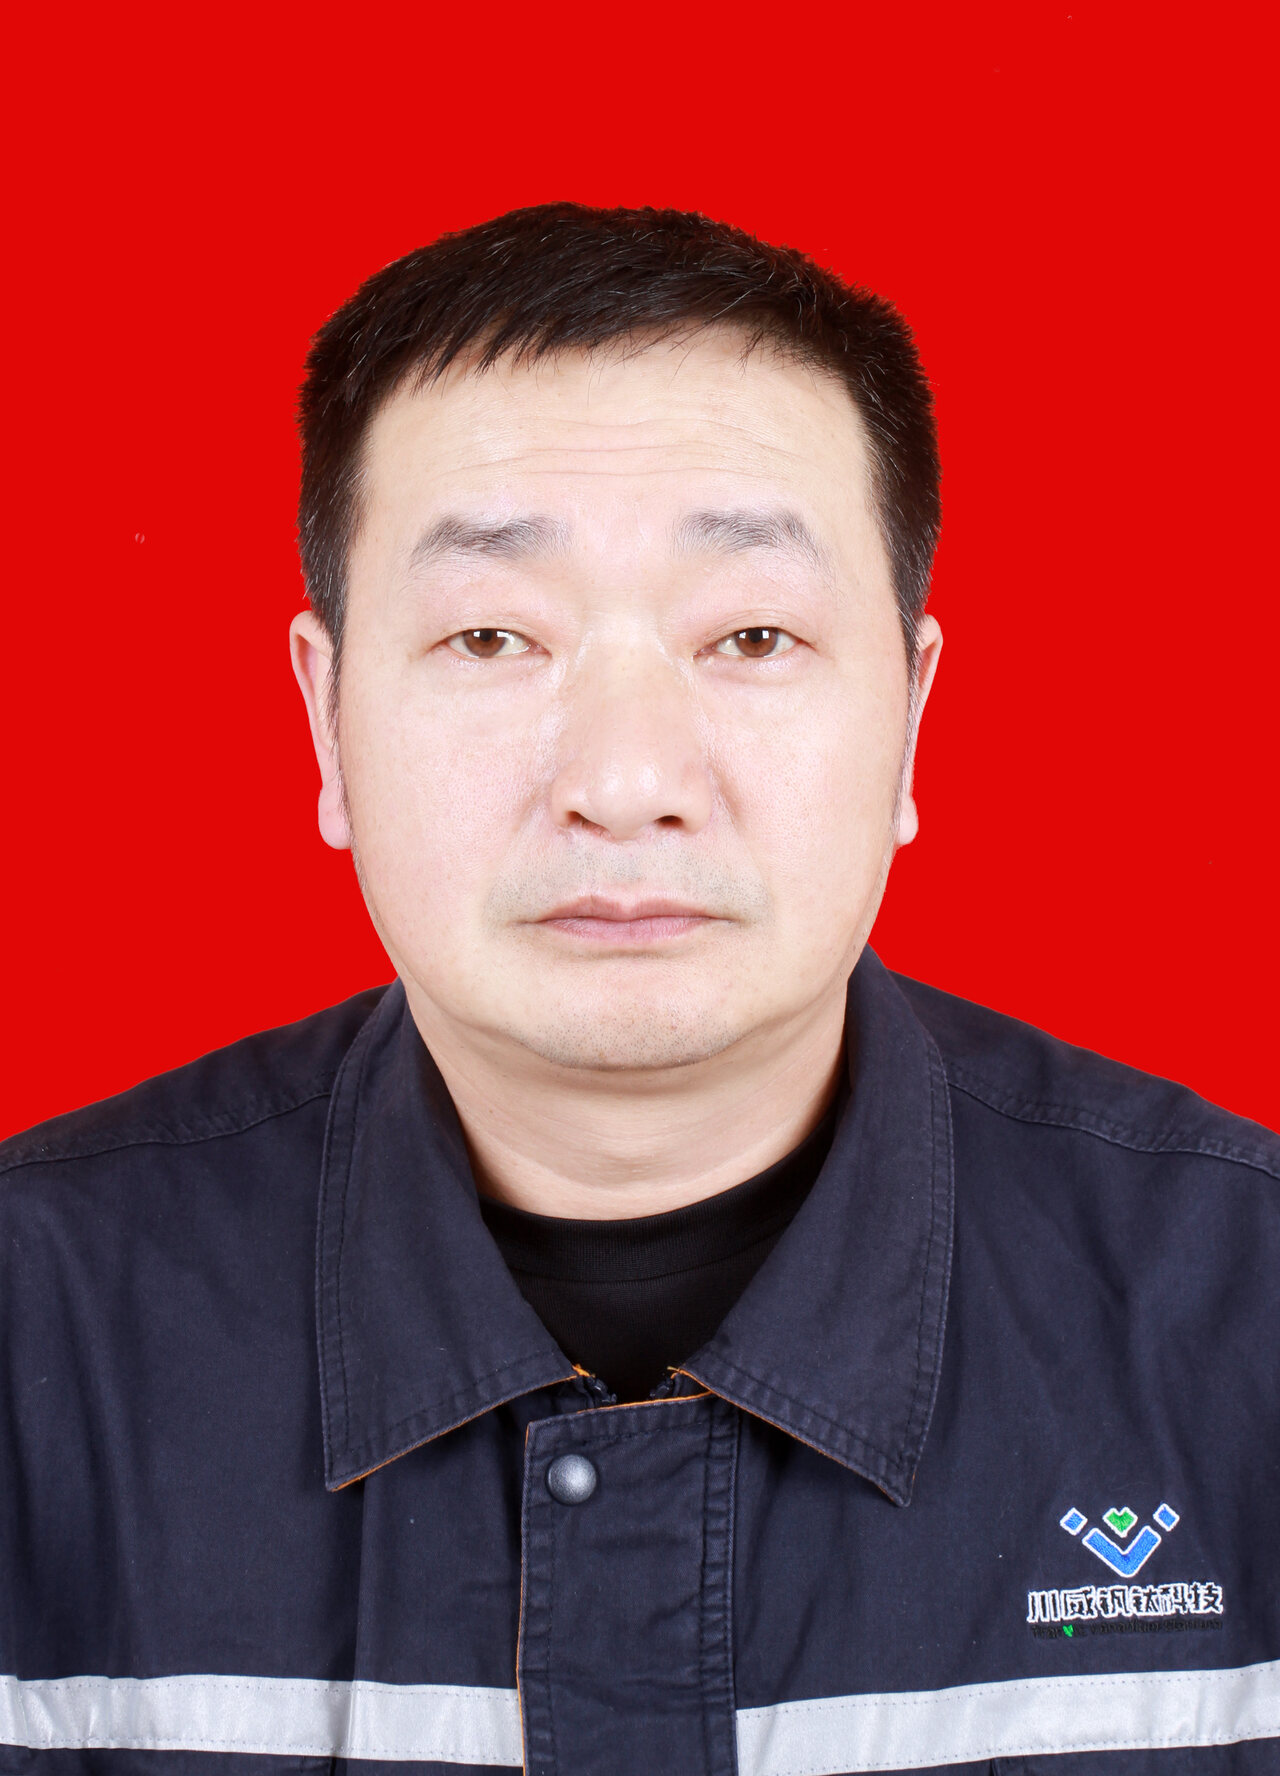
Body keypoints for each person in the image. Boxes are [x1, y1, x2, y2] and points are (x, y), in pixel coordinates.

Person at [1, 203, 1276, 1775]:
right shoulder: (38, 1331)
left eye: (752, 634)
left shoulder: (1245, 1320)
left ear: (912, 708)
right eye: (490, 636)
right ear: (326, 720)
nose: (622, 782)